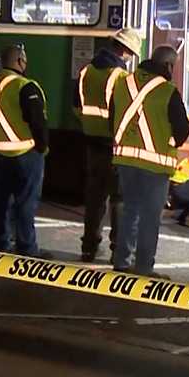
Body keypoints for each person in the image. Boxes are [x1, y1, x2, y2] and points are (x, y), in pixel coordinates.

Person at [111, 45, 189, 278]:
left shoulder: (123, 84)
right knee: (149, 217)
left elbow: (113, 118)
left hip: (125, 160)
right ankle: (144, 267)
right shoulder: (167, 91)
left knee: (129, 211)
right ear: (168, 65)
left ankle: (122, 262)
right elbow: (182, 129)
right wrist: (170, 143)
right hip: (155, 165)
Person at [74, 28, 140, 262]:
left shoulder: (86, 71)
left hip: (91, 142)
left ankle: (88, 247)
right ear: (124, 50)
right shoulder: (119, 77)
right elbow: (123, 113)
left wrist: (89, 125)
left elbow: (76, 106)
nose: (131, 58)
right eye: (131, 53)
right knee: (119, 199)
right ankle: (118, 251)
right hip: (114, 144)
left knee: (94, 197)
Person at [0, 44, 50, 257]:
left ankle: (0, 241)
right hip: (25, 153)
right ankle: (27, 248)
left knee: (0, 199)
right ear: (19, 61)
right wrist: (43, 147)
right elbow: (37, 121)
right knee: (26, 203)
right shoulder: (25, 86)